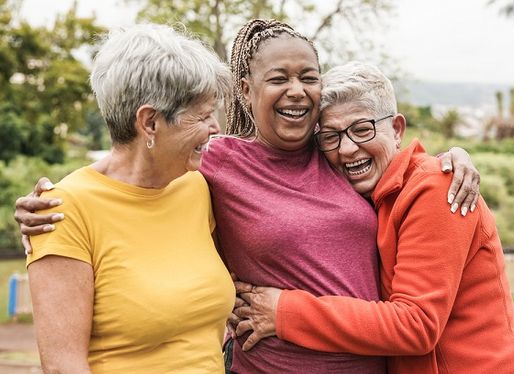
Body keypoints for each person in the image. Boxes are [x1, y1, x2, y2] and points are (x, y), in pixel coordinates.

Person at [15, 20, 481, 373]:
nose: (296, 91)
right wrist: (44, 204)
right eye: (278, 78)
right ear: (245, 88)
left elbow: (393, 159)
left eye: (309, 77)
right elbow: (130, 176)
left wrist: (453, 159)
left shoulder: (337, 152)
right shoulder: (212, 164)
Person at [229, 61, 514, 373]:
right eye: (331, 137)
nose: (348, 149)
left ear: (396, 130)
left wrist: (285, 312)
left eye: (362, 129)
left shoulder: (436, 188)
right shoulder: (367, 197)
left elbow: (416, 325)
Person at [23, 24, 235, 373]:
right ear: (150, 122)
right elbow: (64, 366)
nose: (215, 128)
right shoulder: (62, 211)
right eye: (203, 116)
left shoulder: (197, 186)